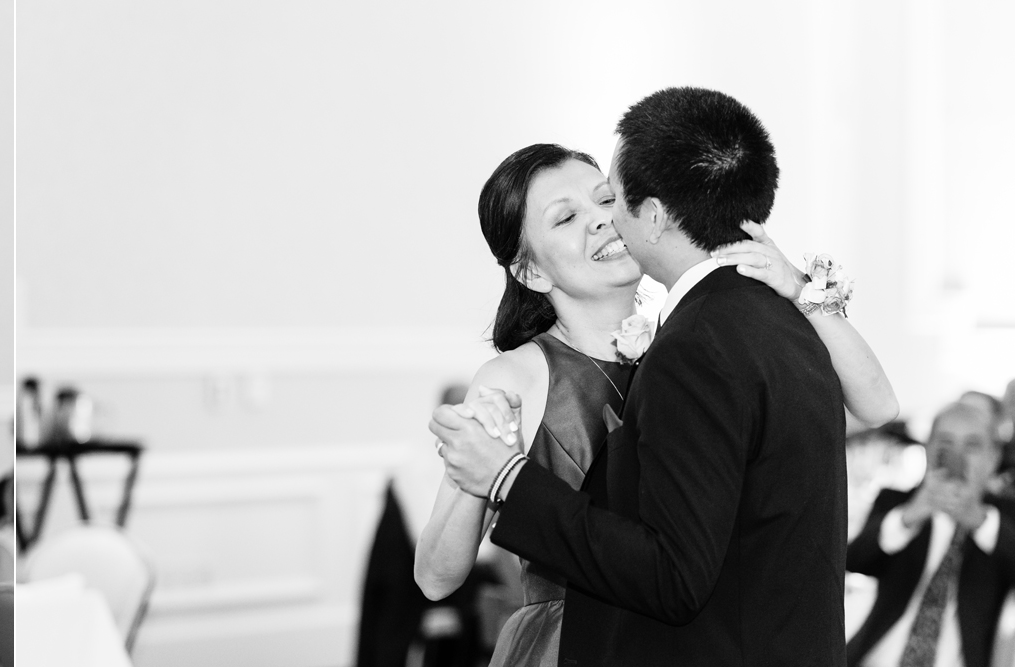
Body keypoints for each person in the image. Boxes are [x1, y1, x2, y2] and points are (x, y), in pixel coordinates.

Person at [430, 87, 891, 666]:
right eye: (568, 217)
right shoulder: (513, 376)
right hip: (568, 646)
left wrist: (804, 293)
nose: (602, 222)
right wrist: (477, 471)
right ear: (529, 269)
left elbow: (876, 405)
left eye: (606, 200)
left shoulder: (694, 339)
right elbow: (436, 578)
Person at [847, 399, 1015, 667]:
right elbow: (854, 560)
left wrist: (981, 521)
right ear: (929, 449)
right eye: (945, 443)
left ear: (993, 457)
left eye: (972, 445)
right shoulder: (895, 501)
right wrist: (910, 515)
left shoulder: (1006, 516)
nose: (957, 455)